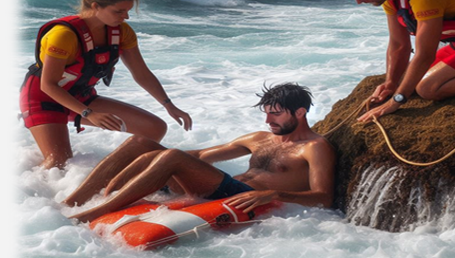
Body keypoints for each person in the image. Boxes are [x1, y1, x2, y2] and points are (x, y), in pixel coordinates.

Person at [63, 83, 336, 223]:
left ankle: (95, 213)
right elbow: (202, 156)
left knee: (171, 157)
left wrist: (273, 194)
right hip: (210, 186)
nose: (268, 122)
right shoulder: (259, 138)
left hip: (241, 197)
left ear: (300, 113)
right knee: (140, 143)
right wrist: (155, 155)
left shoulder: (315, 148)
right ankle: (75, 201)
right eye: (266, 114)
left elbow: (323, 198)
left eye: (275, 115)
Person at [19, 0, 192, 169]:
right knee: (59, 162)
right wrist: (88, 112)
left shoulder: (122, 32)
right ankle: (40, 193)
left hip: (80, 96)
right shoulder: (63, 35)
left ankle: (116, 173)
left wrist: (169, 105)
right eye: (119, 11)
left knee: (154, 128)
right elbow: (48, 85)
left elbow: (141, 73)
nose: (125, 17)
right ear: (95, 7)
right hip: (43, 98)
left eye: (127, 11)